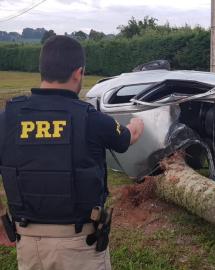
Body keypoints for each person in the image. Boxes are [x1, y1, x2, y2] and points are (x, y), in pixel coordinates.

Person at [0, 35, 144, 270]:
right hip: (79, 247)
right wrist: (138, 122)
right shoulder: (91, 119)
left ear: (42, 71)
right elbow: (127, 138)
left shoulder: (8, 120)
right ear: (78, 73)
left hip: (28, 246)